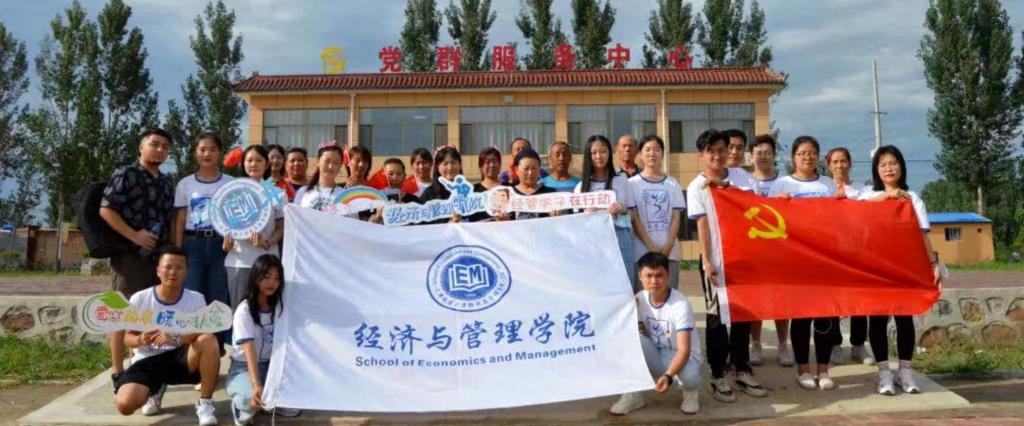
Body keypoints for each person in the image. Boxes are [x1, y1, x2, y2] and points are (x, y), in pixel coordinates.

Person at [685, 129, 767, 403]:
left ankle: (741, 368)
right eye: (711, 151)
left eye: (722, 149)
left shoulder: (743, 178)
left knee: (743, 316)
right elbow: (702, 226)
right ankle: (718, 373)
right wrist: (707, 260)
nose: (718, 156)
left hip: (745, 260)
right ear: (701, 154)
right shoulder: (697, 186)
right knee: (717, 318)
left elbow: (757, 209)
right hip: (716, 262)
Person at [859, 145, 942, 395]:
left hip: (905, 268)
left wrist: (933, 264)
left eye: (893, 163)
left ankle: (905, 372)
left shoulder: (913, 198)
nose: (888, 168)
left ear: (901, 166)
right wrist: (887, 197)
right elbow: (856, 214)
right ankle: (884, 373)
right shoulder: (868, 195)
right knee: (877, 320)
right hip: (876, 269)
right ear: (876, 170)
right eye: (883, 164)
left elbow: (923, 235)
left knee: (905, 319)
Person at [100, 127, 175, 390]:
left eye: (165, 146)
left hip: (158, 259)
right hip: (129, 257)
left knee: (150, 313)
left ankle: (143, 366)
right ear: (141, 147)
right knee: (121, 312)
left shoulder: (167, 183)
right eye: (154, 144)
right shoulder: (126, 174)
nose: (160, 149)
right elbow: (106, 209)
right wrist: (134, 235)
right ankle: (117, 371)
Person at [112, 246, 221, 426]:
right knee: (125, 405)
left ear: (186, 271)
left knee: (209, 340)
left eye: (179, 267)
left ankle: (205, 403)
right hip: (147, 359)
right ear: (158, 271)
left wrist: (177, 338)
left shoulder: (196, 299)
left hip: (181, 358)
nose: (173, 272)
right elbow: (127, 338)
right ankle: (153, 390)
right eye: (168, 267)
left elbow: (202, 331)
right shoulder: (140, 298)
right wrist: (141, 339)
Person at [768, 135, 840, 391]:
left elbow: (839, 220)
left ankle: (824, 369)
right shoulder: (782, 184)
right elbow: (770, 219)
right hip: (795, 262)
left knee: (825, 317)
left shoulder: (828, 185)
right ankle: (803, 369)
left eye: (811, 153)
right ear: (793, 158)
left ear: (818, 157)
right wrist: (780, 203)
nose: (807, 157)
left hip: (824, 261)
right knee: (800, 317)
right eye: (801, 153)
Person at [609, 252, 701, 416]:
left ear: (668, 275)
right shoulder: (639, 298)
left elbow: (684, 350)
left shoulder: (680, 304)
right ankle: (634, 394)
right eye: (649, 275)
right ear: (640, 276)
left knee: (690, 376)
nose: (654, 281)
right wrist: (631, 316)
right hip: (656, 352)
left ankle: (691, 393)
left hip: (679, 355)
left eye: (659, 275)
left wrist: (668, 376)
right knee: (631, 340)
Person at [172, 132, 233, 347]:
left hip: (220, 246)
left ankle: (216, 349)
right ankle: (191, 349)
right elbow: (180, 219)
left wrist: (231, 238)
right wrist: (178, 251)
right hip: (193, 245)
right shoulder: (185, 184)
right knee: (192, 296)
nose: (207, 154)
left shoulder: (230, 183)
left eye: (213, 149)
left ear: (220, 153)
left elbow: (234, 218)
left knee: (218, 298)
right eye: (202, 149)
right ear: (195, 153)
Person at [226, 254, 300, 424]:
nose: (272, 283)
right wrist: (256, 383)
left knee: (295, 396)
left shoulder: (279, 306)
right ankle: (240, 408)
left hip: (272, 366)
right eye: (267, 277)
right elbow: (249, 349)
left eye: (276, 279)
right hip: (244, 368)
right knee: (250, 398)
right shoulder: (244, 310)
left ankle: (270, 403)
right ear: (256, 277)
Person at [746, 134, 794, 367]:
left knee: (780, 300)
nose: (763, 156)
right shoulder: (744, 183)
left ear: (774, 155)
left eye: (767, 152)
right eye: (758, 153)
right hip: (754, 251)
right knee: (755, 300)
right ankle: (755, 343)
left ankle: (783, 343)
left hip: (779, 252)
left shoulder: (786, 183)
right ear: (751, 156)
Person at [825, 146, 873, 366]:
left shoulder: (862, 190)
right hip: (830, 254)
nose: (839, 165)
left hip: (857, 254)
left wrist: (849, 202)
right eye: (835, 162)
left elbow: (872, 210)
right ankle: (835, 344)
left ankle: (858, 345)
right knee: (833, 301)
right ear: (828, 166)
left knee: (859, 301)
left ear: (850, 164)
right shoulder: (824, 189)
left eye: (843, 161)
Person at [223, 145, 284, 310]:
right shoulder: (232, 190)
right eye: (249, 160)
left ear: (267, 164)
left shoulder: (276, 193)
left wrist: (266, 243)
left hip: (267, 262)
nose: (254, 164)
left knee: (267, 310)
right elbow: (224, 223)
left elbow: (280, 227)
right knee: (240, 311)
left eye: (259, 160)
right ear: (243, 163)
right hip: (239, 260)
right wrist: (226, 243)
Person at [575, 135, 637, 292]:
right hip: (592, 244)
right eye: (594, 152)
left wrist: (623, 210)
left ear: (610, 153)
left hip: (620, 240)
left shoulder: (622, 182)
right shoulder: (581, 187)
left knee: (624, 288)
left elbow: (634, 216)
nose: (599, 156)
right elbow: (574, 223)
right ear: (588, 156)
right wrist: (586, 214)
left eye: (603, 151)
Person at [628, 135, 685, 291]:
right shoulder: (632, 184)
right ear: (640, 155)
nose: (652, 153)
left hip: (669, 255)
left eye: (656, 149)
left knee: (669, 297)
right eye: (647, 150)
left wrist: (667, 247)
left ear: (662, 154)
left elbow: (676, 219)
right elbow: (635, 219)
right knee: (643, 299)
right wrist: (651, 247)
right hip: (641, 254)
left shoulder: (673, 183)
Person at [507, 148, 558, 220]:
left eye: (534, 168)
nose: (530, 173)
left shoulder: (551, 194)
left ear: (539, 169)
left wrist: (557, 216)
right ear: (516, 170)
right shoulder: (507, 194)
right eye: (526, 169)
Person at [419, 146, 465, 223]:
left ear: (460, 165)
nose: (450, 167)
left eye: (453, 163)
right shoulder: (429, 194)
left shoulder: (470, 192)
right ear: (437, 167)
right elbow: (421, 223)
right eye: (445, 164)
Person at [294, 142, 345, 212]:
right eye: (327, 161)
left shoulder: (344, 195)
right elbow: (295, 217)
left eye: (336, 163)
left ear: (340, 165)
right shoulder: (303, 192)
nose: (330, 167)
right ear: (318, 161)